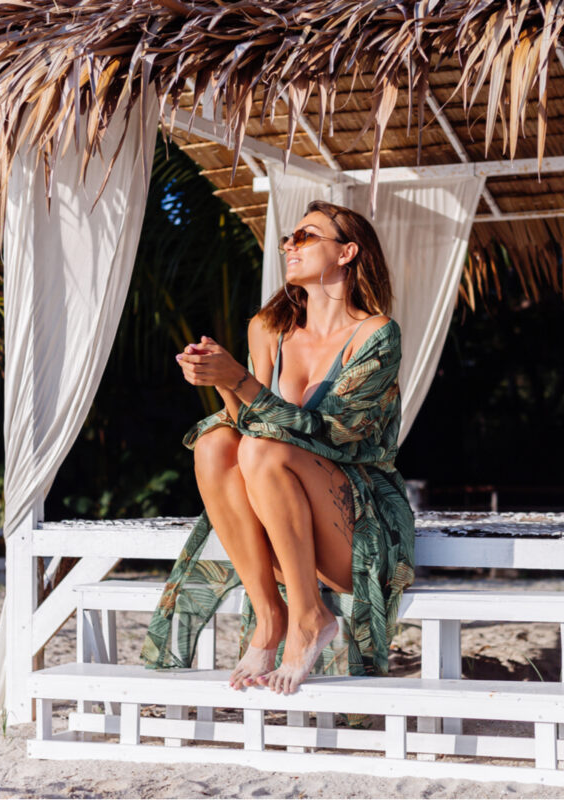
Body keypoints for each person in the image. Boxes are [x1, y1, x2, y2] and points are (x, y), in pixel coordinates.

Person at [141, 200, 415, 695]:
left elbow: (334, 434)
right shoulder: (269, 329)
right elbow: (244, 422)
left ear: (348, 252)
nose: (290, 245)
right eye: (289, 238)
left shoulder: (377, 334)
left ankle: (310, 616)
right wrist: (218, 377)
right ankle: (272, 616)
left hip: (358, 524)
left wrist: (240, 380)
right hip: (281, 524)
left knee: (263, 450)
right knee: (214, 442)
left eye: (306, 236)